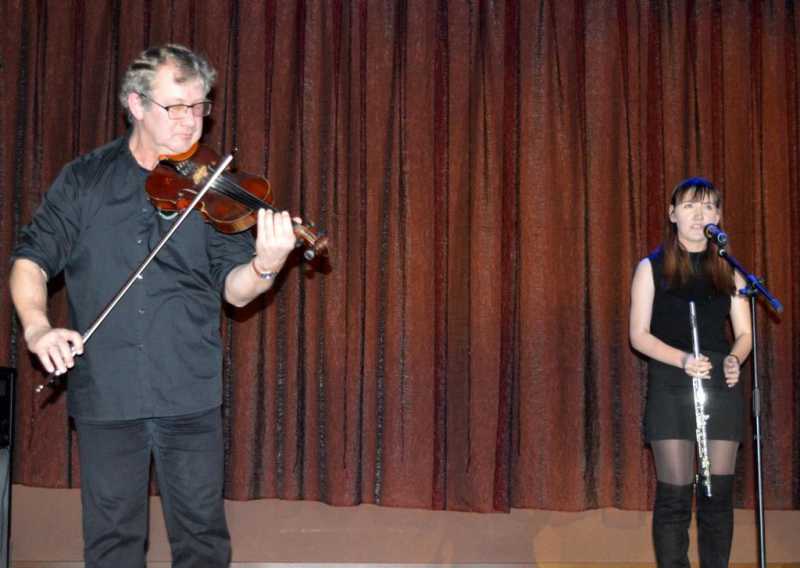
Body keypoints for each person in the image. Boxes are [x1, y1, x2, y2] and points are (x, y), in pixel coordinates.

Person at [9, 44, 298, 567]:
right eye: (176, 107)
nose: (192, 121)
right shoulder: (84, 180)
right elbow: (31, 259)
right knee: (112, 544)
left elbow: (235, 291)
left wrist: (266, 265)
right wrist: (36, 327)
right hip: (107, 392)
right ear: (136, 105)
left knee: (202, 541)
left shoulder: (211, 187)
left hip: (188, 390)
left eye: (200, 106)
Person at [629, 177, 753, 567]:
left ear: (718, 216)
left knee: (717, 498)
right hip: (671, 382)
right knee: (675, 497)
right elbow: (638, 335)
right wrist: (682, 360)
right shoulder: (650, 268)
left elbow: (745, 334)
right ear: (673, 214)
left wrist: (735, 358)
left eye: (709, 207)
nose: (700, 215)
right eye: (689, 206)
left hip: (718, 383)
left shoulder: (730, 270)